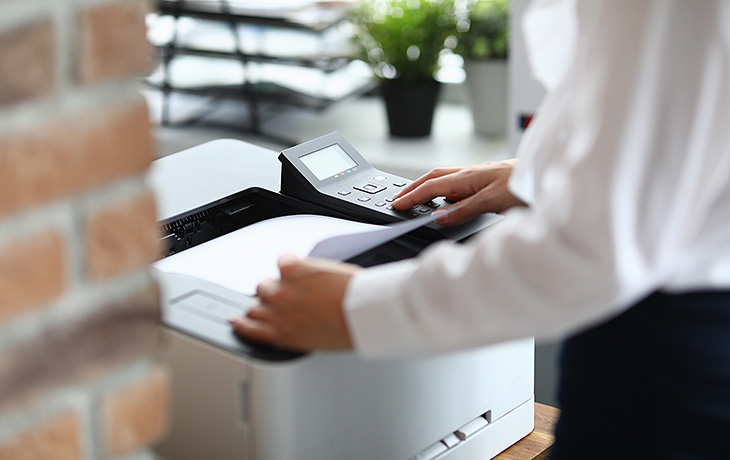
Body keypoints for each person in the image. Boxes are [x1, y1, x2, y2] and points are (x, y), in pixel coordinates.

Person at [231, 0, 730, 457]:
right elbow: (676, 123)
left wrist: (358, 310)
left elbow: (598, 250)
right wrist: (547, 172)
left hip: (668, 350)